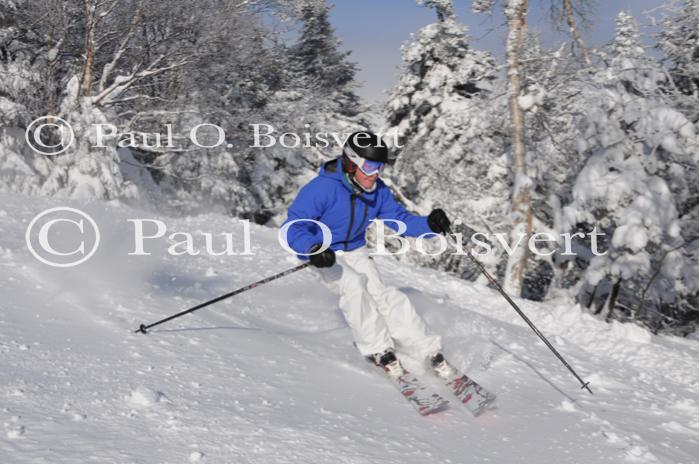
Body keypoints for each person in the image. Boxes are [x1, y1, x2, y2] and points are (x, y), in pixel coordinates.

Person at [281, 131, 455, 378]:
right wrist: (313, 248)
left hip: (354, 248)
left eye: (380, 167)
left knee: (381, 293)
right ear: (352, 163)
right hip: (324, 252)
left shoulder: (377, 190)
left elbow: (400, 220)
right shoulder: (322, 189)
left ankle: (426, 349)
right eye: (371, 166)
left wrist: (429, 225)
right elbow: (294, 227)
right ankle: (378, 350)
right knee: (353, 287)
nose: (375, 173)